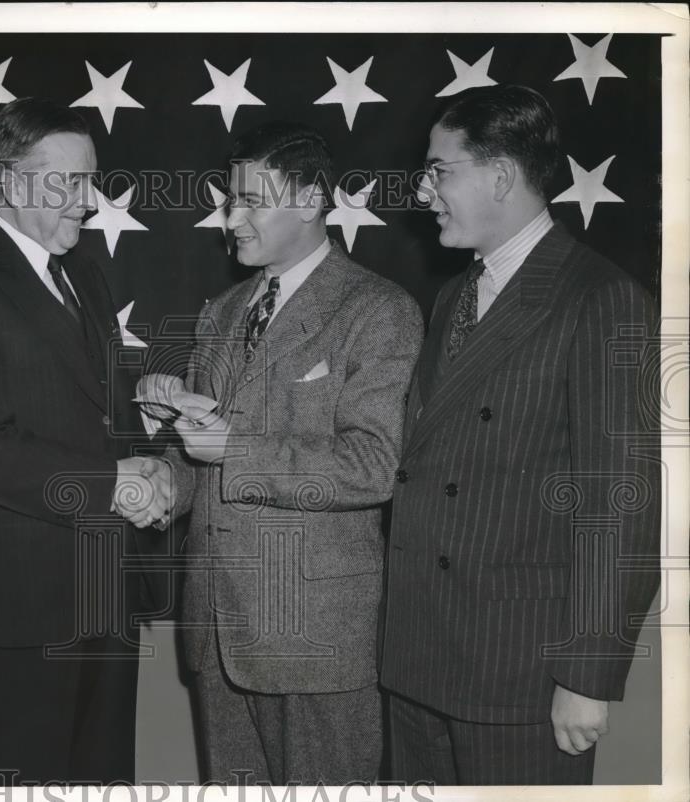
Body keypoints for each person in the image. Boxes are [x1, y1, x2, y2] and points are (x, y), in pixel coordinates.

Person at [378, 84, 660, 785]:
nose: (424, 190)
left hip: (518, 672)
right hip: (420, 656)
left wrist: (589, 675)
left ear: (500, 176)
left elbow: (620, 500)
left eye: (439, 170)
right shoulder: (454, 296)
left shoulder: (600, 296)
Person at [0, 97, 169, 785]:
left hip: (107, 591)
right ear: (10, 182)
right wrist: (118, 486)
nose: (89, 203)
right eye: (70, 184)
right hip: (22, 606)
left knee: (106, 781)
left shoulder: (83, 273)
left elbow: (105, 414)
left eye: (92, 181)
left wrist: (155, 474)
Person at [160, 121, 423, 784]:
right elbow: (202, 454)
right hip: (218, 628)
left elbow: (374, 463)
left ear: (309, 201)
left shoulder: (378, 309)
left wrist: (232, 447)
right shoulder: (221, 311)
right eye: (230, 199)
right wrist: (161, 480)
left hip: (314, 636)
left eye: (250, 200)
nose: (231, 217)